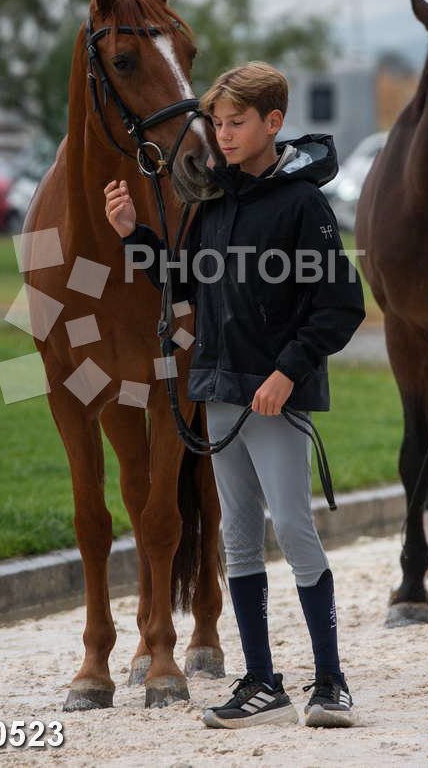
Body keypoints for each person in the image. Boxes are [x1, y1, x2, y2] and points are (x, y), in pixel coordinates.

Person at [104, 61, 366, 730]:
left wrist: (287, 374)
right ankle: (261, 683)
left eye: (235, 123)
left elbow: (340, 305)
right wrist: (135, 234)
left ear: (272, 122)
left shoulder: (304, 204)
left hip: (275, 397)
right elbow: (186, 282)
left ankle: (330, 683)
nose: (221, 135)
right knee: (239, 542)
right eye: (217, 123)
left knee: (295, 532)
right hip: (219, 393)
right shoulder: (213, 202)